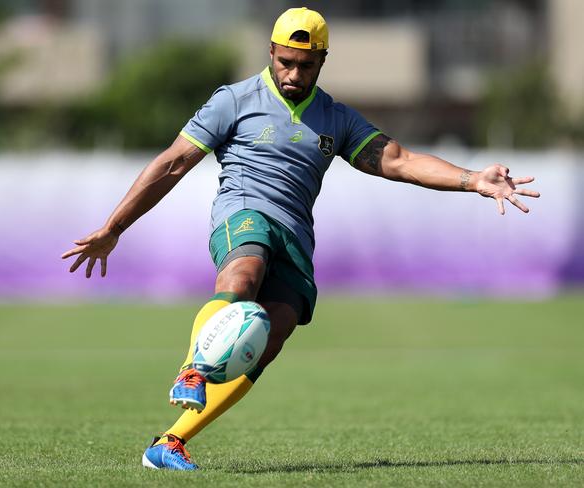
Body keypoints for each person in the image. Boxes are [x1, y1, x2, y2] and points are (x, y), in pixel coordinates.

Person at [61, 7, 539, 471]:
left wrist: (472, 178)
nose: (292, 73)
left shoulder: (336, 118)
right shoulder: (234, 99)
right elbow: (173, 162)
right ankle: (193, 369)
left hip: (295, 237)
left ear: (321, 62)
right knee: (244, 274)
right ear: (270, 51)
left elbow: (398, 160)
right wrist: (113, 228)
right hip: (244, 214)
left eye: (304, 65)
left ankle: (170, 442)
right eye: (284, 61)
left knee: (264, 339)